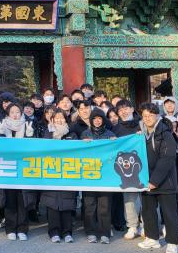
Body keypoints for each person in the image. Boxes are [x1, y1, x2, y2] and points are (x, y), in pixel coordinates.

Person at [136, 102, 178, 253]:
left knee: (169, 214)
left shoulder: (165, 133)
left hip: (164, 181)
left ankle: (173, 243)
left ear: (157, 115)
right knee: (148, 211)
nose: (147, 118)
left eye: (150, 115)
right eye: (145, 116)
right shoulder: (141, 134)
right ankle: (152, 238)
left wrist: (154, 181)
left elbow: (167, 159)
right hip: (145, 180)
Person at [38, 107, 78, 243]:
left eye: (62, 118)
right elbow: (43, 150)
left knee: (67, 203)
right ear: (52, 119)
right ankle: (54, 231)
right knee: (52, 203)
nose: (60, 120)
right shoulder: (47, 133)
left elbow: (77, 151)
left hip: (68, 172)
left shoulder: (71, 134)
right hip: (52, 171)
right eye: (57, 118)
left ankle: (67, 232)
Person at [0, 103, 34, 241]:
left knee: (22, 199)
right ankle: (10, 228)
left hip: (23, 168)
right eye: (12, 112)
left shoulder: (27, 126)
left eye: (18, 111)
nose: (15, 114)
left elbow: (34, 147)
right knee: (10, 199)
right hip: (7, 167)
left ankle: (22, 228)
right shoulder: (3, 126)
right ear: (8, 114)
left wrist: (30, 136)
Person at [81, 108, 117, 244]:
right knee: (89, 205)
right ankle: (90, 232)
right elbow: (79, 153)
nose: (97, 121)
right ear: (91, 120)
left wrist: (116, 142)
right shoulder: (85, 134)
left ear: (103, 120)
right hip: (89, 174)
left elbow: (116, 152)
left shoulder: (110, 134)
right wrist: (82, 144)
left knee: (105, 205)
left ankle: (105, 232)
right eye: (94, 118)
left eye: (100, 118)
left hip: (106, 175)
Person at [113, 99, 143, 240]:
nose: (123, 112)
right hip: (126, 169)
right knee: (129, 198)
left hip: (142, 166)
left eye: (126, 108)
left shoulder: (142, 124)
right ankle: (132, 225)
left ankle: (145, 224)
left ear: (132, 109)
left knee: (146, 198)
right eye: (120, 110)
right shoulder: (116, 128)